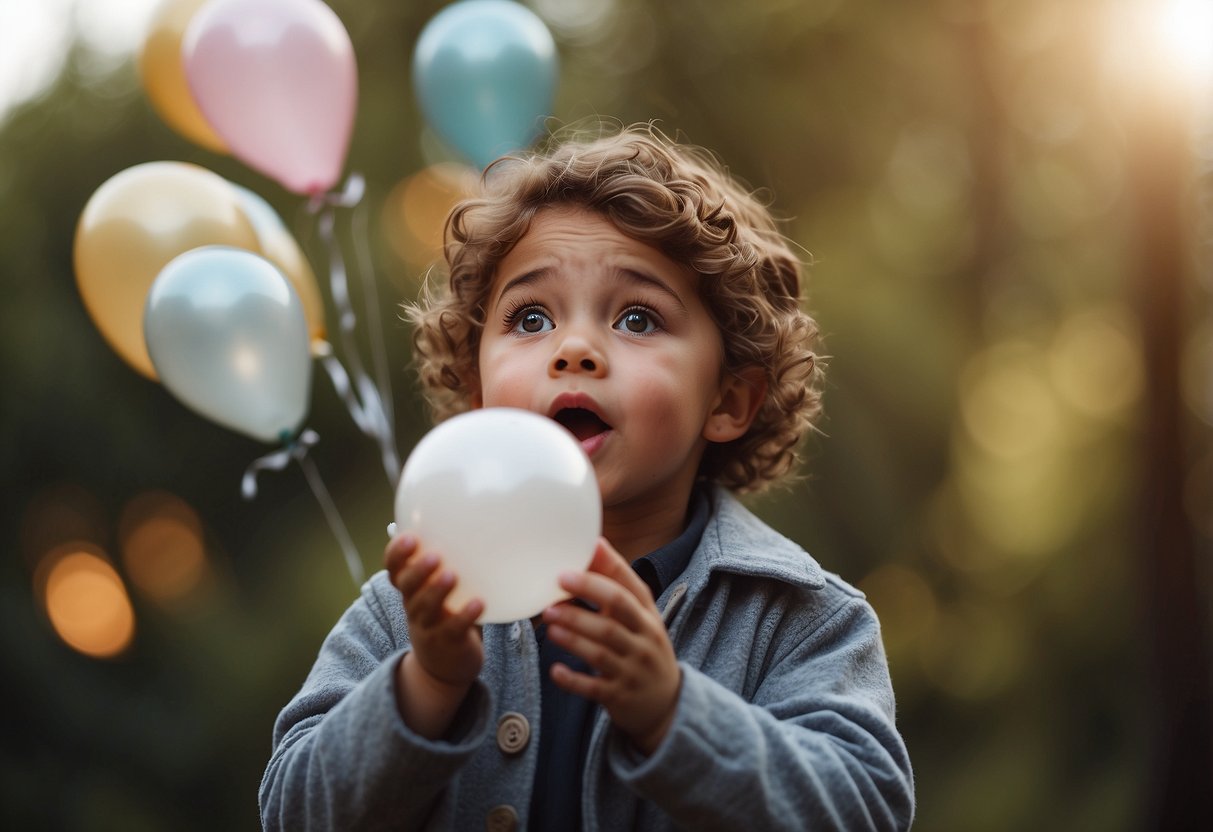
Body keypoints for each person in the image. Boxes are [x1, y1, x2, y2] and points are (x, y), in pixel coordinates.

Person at [260, 123, 915, 831]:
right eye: (530, 316)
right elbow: (292, 810)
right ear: (479, 387)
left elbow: (863, 808)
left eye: (637, 318)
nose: (573, 349)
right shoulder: (411, 604)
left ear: (726, 401)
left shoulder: (800, 618)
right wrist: (427, 682)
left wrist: (672, 712)